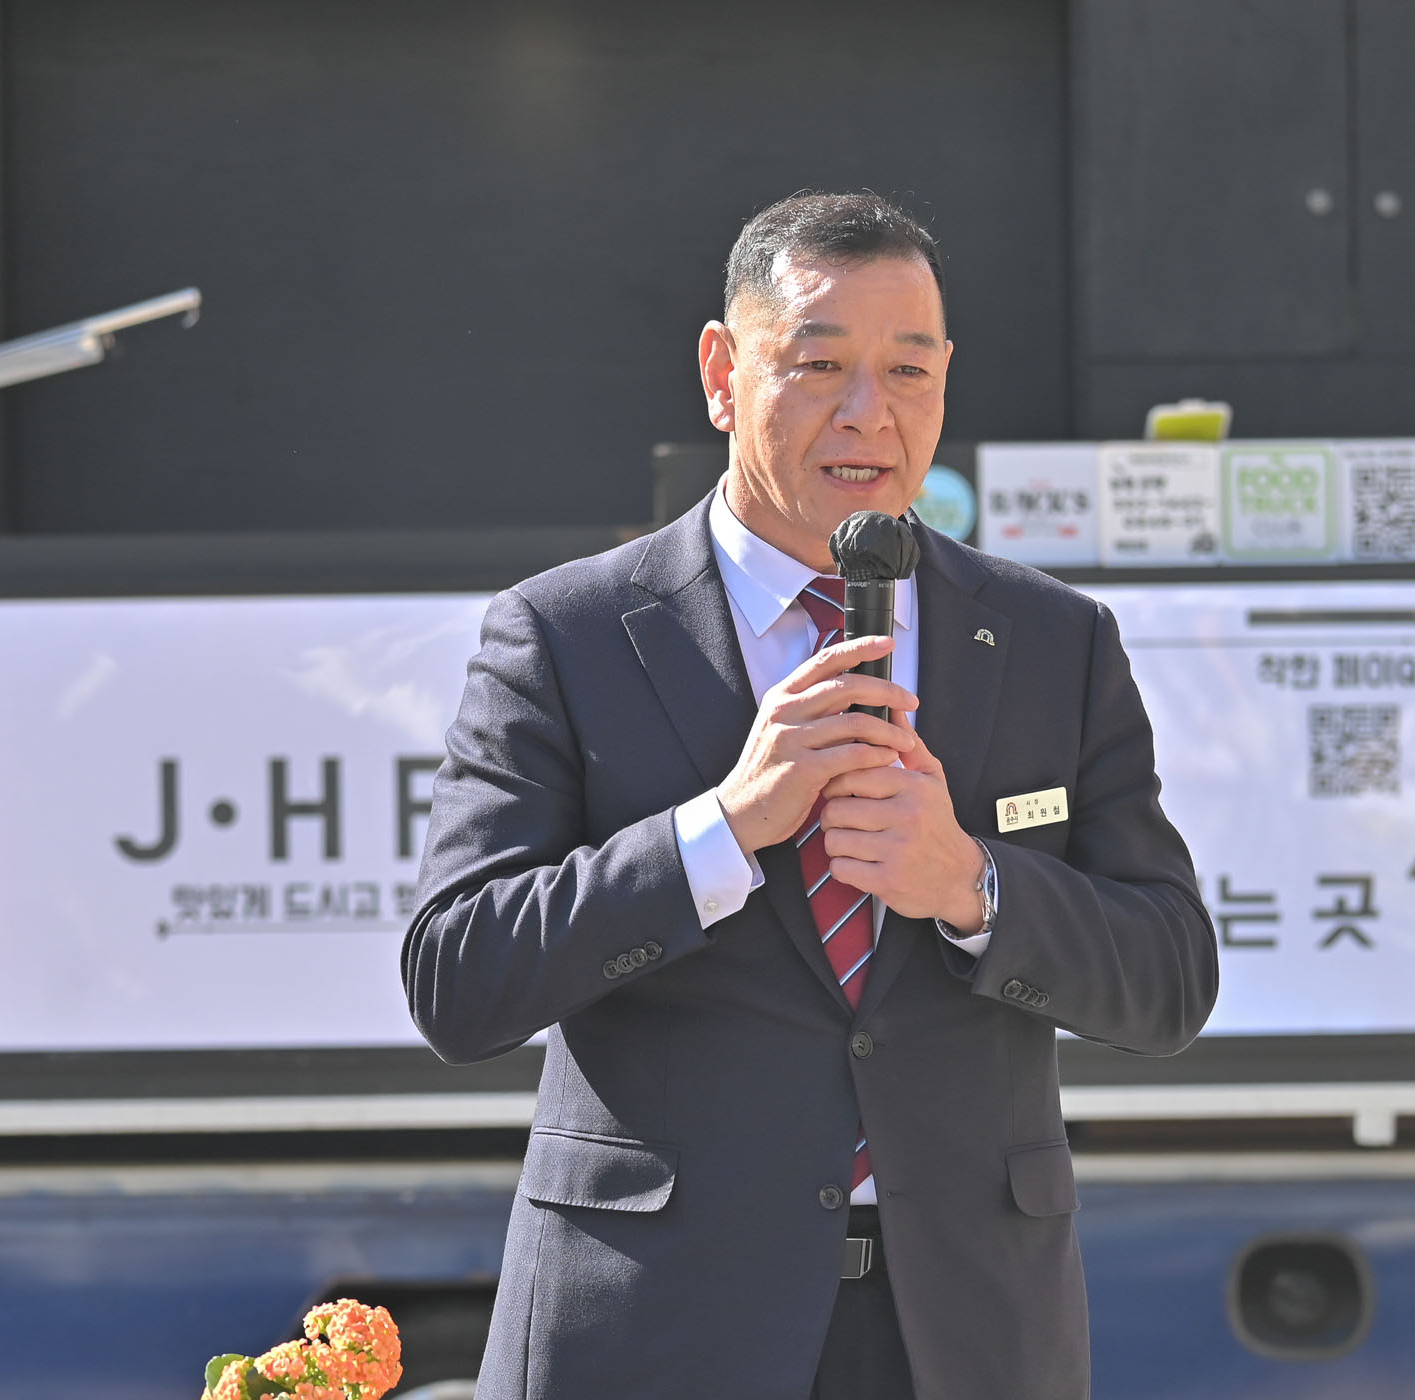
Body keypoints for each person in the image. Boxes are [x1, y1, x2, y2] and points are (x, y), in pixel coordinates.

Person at [403, 192, 1217, 1400]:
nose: (869, 413)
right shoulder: (566, 633)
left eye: (908, 370)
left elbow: (1169, 978)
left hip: (964, 1332)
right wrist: (722, 829)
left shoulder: (1054, 639)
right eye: (820, 364)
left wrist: (973, 885)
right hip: (656, 1329)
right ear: (721, 374)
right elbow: (457, 976)